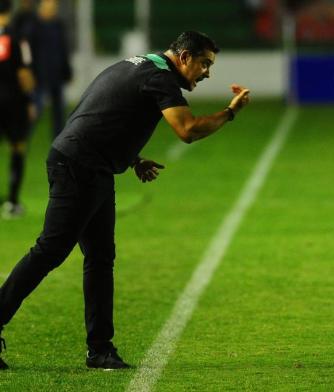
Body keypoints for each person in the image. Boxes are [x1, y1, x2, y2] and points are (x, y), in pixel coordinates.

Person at [0, 30, 250, 370]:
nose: (207, 73)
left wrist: (131, 158)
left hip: (92, 166)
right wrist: (230, 112)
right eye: (204, 64)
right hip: (79, 166)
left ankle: (100, 349)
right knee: (50, 251)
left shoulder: (140, 64)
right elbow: (187, 130)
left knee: (101, 258)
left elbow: (104, 111)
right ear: (185, 58)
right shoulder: (160, 78)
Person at [0, 0, 35, 219]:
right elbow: (24, 73)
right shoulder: (16, 37)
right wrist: (30, 98)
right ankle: (12, 202)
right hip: (13, 101)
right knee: (17, 147)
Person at [30, 0, 72, 138]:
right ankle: (23, 135)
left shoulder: (58, 25)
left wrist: (67, 70)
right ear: (41, 8)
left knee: (59, 111)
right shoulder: (33, 27)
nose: (52, 10)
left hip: (57, 73)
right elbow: (30, 52)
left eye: (54, 7)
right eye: (48, 7)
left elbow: (63, 49)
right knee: (36, 107)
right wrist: (32, 72)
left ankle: (59, 139)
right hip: (40, 74)